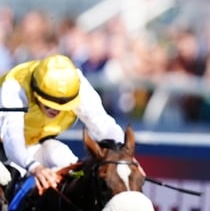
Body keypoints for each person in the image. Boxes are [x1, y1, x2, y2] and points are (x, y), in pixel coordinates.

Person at [0, 53, 124, 196]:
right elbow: (12, 140)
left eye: (63, 106)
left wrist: (122, 156)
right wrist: (35, 168)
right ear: (35, 93)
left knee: (64, 160)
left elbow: (104, 125)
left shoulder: (77, 84)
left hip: (35, 145)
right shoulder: (14, 87)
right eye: (49, 105)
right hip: (5, 148)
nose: (56, 110)